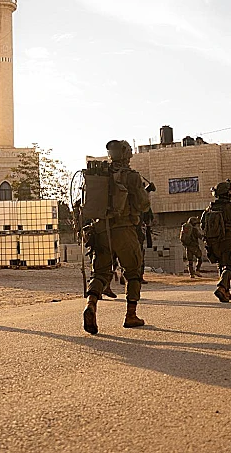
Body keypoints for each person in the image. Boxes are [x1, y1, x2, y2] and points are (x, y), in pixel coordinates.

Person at [82, 140, 152, 335]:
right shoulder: (132, 177)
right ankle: (131, 315)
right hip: (124, 230)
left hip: (101, 230)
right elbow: (142, 205)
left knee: (100, 273)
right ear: (126, 154)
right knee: (133, 271)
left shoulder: (99, 175)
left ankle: (91, 304)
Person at [201, 180, 231, 303]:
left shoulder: (209, 208)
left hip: (212, 242)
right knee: (230, 266)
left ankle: (226, 291)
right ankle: (221, 287)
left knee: (221, 265)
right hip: (228, 240)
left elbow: (202, 225)